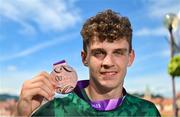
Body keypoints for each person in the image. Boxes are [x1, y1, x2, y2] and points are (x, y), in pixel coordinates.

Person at [15, 9, 161, 116]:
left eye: (118, 52)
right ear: (84, 58)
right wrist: (20, 115)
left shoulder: (147, 112)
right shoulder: (53, 112)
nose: (108, 62)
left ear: (130, 58)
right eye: (99, 53)